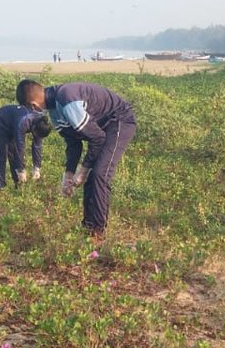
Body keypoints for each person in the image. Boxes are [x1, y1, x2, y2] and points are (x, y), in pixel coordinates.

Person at [15, 79, 136, 240]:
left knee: (99, 174)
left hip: (119, 120)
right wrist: (68, 176)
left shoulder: (67, 100)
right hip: (101, 128)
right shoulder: (54, 112)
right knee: (93, 177)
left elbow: (98, 138)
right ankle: (88, 227)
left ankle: (98, 233)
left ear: (33, 106)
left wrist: (83, 170)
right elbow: (73, 144)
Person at [0, 104, 51, 188]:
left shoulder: (40, 123)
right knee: (1, 153)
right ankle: (0, 185)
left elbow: (37, 146)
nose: (36, 136)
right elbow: (20, 146)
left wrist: (36, 167)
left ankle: (17, 184)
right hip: (1, 121)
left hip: (13, 124)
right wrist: (21, 169)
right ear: (34, 128)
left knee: (13, 154)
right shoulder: (23, 122)